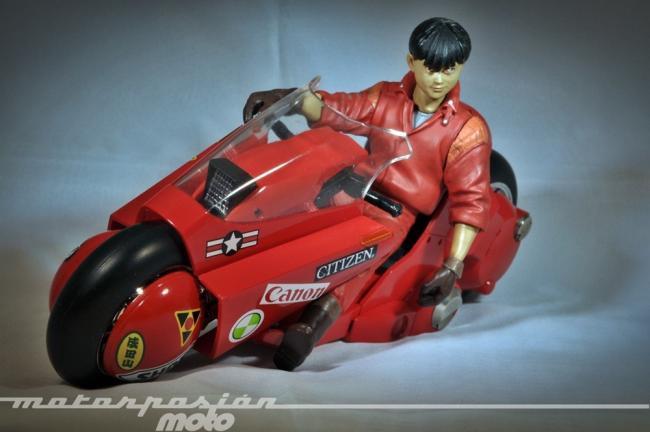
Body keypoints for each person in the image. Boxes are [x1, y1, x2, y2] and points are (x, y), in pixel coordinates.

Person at [243, 17, 492, 371]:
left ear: (461, 67)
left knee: (358, 255)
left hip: (396, 212)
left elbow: (471, 201)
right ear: (411, 62)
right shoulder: (386, 98)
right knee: (290, 218)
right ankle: (252, 291)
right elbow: (342, 110)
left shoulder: (468, 130)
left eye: (449, 69)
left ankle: (310, 326)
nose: (439, 79)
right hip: (352, 186)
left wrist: (453, 266)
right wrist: (290, 100)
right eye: (430, 67)